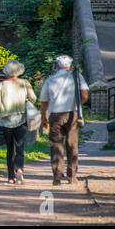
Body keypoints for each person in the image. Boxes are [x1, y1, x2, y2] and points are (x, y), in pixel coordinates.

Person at [40, 55, 89, 186]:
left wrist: (44, 117)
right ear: (70, 66)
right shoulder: (77, 77)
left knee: (56, 144)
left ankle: (57, 176)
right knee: (72, 144)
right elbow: (84, 95)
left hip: (55, 115)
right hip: (73, 114)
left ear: (57, 66)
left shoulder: (50, 80)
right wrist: (78, 105)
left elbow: (44, 102)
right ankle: (72, 176)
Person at [0, 60, 37, 185]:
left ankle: (10, 177)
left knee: (10, 148)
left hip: (5, 121)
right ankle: (19, 169)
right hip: (21, 119)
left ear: (7, 70)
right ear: (19, 70)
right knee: (20, 147)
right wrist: (25, 103)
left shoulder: (1, 85)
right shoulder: (25, 83)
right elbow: (33, 98)